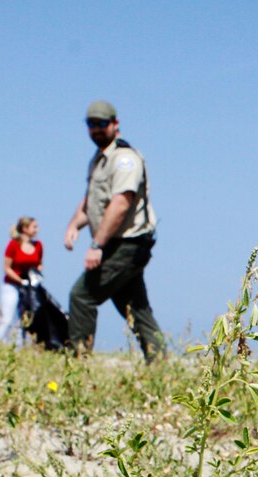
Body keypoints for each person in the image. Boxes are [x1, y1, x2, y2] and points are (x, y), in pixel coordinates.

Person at [64, 100, 165, 362]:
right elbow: (91, 201)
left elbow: (121, 203)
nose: (96, 129)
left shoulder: (124, 159)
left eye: (101, 123)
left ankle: (78, 364)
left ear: (115, 123)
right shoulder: (99, 161)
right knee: (134, 306)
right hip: (116, 243)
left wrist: (97, 245)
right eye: (91, 124)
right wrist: (74, 225)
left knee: (82, 296)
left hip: (128, 243)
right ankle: (160, 363)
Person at [0, 216, 43, 343]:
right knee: (7, 318)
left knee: (24, 319)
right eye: (34, 227)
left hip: (29, 286)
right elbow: (7, 268)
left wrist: (36, 276)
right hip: (12, 285)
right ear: (25, 229)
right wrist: (20, 280)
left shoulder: (38, 245)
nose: (37, 230)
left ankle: (19, 346)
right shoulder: (14, 245)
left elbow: (39, 264)